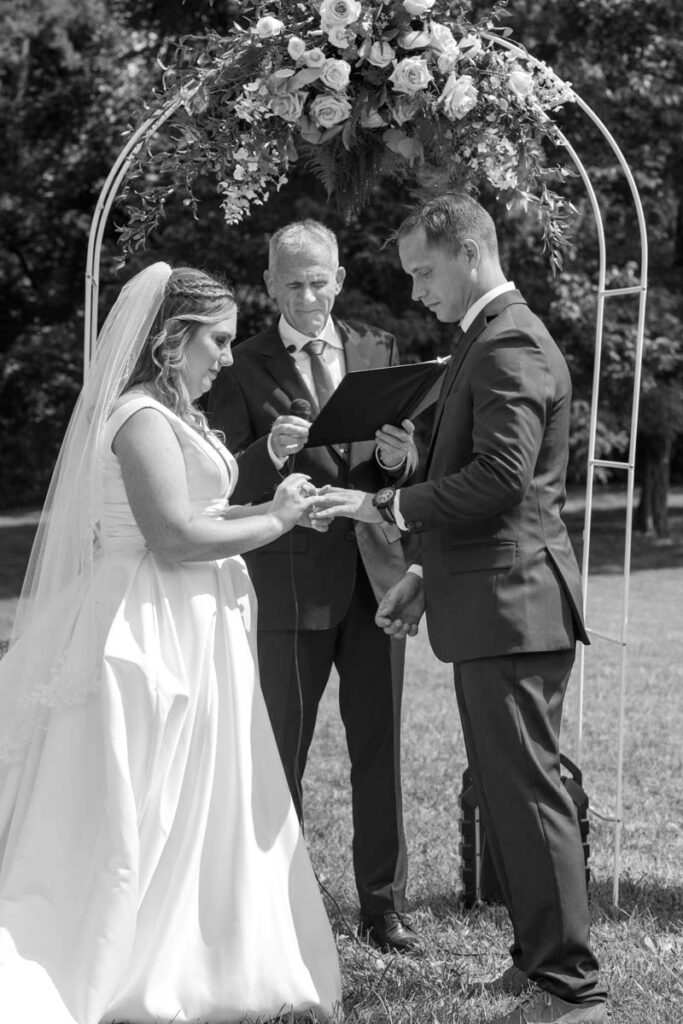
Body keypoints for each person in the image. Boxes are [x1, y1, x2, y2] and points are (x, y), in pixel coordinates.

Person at [0, 263, 341, 1024]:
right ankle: (116, 951)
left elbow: (206, 516)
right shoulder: (140, 418)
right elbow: (174, 537)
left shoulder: (175, 412)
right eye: (216, 340)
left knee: (199, 786)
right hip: (143, 623)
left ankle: (199, 947)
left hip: (194, 616)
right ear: (170, 340)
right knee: (142, 792)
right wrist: (278, 519)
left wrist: (273, 506)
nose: (227, 355)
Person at [312, 194, 608, 1024]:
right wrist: (418, 579)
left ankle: (571, 986)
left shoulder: (508, 340)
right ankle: (535, 959)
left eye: (422, 271)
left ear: (469, 253)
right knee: (510, 791)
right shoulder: (484, 338)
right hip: (486, 599)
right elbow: (486, 487)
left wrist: (388, 510)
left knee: (528, 791)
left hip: (515, 607)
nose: (414, 291)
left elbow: (501, 480)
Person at [207, 220, 423, 954]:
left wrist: (399, 461)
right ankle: (279, 909)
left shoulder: (377, 349)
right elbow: (219, 480)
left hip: (374, 583)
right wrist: (265, 452)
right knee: (282, 754)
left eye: (318, 279)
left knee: (379, 750)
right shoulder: (238, 365)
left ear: (338, 277)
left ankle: (382, 908)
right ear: (268, 284)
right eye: (292, 282)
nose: (307, 295)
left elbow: (396, 472)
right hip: (290, 585)